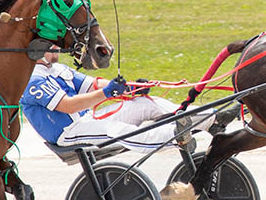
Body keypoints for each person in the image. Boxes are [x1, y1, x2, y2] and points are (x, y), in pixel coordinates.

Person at [20, 47, 233, 155]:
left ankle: (207, 118)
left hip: (87, 120)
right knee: (117, 129)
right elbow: (68, 105)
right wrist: (107, 93)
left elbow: (94, 85)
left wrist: (130, 88)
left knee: (143, 104)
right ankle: (176, 135)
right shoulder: (32, 78)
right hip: (68, 133)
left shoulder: (57, 69)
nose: (58, 47)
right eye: (52, 45)